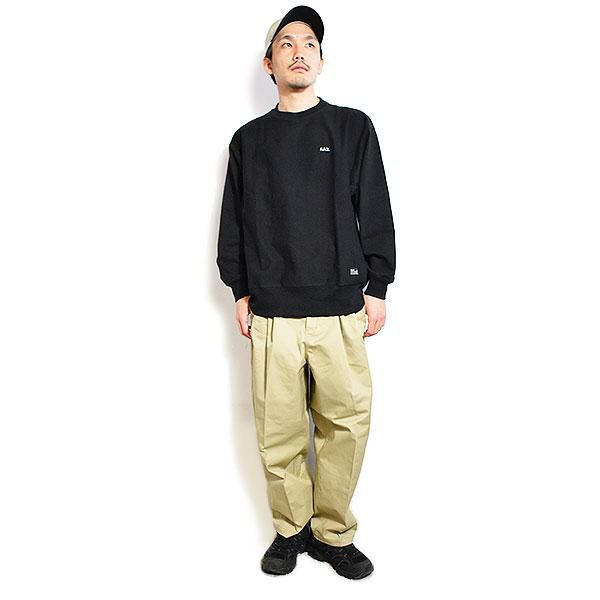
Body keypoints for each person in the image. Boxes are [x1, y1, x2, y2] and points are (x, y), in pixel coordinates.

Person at [216, 5, 396, 580]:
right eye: (287, 43)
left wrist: (378, 284)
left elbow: (374, 207)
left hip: (341, 307)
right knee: (279, 432)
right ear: (269, 64)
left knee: (347, 426)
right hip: (272, 311)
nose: (299, 51)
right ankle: (291, 530)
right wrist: (240, 289)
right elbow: (234, 221)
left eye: (310, 43)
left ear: (321, 59)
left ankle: (333, 532)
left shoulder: (351, 128)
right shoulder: (249, 141)